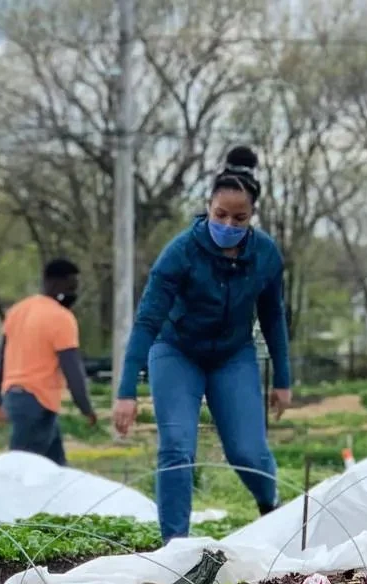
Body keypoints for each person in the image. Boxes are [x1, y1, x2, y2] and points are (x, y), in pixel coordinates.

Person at [112, 146, 291, 542]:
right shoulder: (180, 253)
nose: (228, 223)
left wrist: (283, 378)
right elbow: (146, 322)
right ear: (207, 207)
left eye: (239, 218)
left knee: (248, 452)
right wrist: (126, 391)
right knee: (177, 447)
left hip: (233, 356)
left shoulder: (264, 254)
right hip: (177, 352)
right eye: (220, 215)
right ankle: (175, 546)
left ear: (251, 217)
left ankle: (271, 509)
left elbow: (274, 317)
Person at [0, 258, 97, 466]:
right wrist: (85, 407)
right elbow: (71, 368)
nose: (73, 292)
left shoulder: (18, 311)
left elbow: (2, 359)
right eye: (70, 286)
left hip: (16, 397)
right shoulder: (61, 318)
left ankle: (63, 497)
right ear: (54, 283)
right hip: (37, 403)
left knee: (56, 469)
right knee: (21, 471)